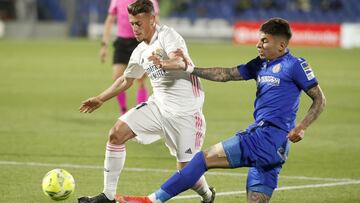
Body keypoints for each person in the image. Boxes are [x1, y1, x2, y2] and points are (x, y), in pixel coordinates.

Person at [115, 17, 326, 203]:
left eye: (264, 40)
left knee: (201, 160)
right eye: (259, 39)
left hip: (265, 137)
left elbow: (319, 99)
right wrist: (189, 69)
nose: (258, 44)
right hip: (274, 149)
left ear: (281, 45)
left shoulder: (295, 65)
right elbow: (225, 74)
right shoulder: (260, 64)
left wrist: (303, 126)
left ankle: (151, 201)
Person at [78, 0, 215, 203]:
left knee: (186, 173)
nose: (134, 28)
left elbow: (181, 62)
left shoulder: (168, 36)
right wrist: (100, 98)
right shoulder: (140, 51)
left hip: (186, 114)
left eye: (138, 23)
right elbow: (126, 80)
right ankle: (107, 195)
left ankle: (208, 195)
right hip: (158, 108)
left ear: (152, 20)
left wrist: (164, 63)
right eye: (132, 23)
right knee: (116, 134)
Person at [99, 0, 159, 115]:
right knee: (117, 77)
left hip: (141, 42)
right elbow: (110, 20)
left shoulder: (149, 1)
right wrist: (104, 45)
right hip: (122, 42)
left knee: (140, 79)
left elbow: (155, 21)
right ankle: (123, 111)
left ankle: (140, 113)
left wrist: (156, 43)